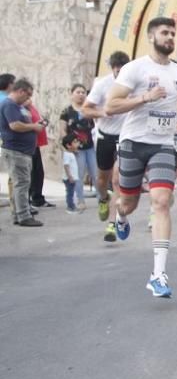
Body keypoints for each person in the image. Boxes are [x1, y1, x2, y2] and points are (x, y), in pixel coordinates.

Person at [104, 17, 177, 297]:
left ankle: (158, 274)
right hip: (134, 142)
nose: (169, 37)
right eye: (164, 32)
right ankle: (120, 217)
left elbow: (167, 103)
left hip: (163, 145)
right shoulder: (135, 69)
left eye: (172, 33)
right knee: (128, 204)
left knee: (161, 201)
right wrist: (143, 98)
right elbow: (111, 105)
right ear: (151, 36)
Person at [83, 51, 130, 242]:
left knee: (118, 180)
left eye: (122, 69)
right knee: (102, 180)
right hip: (104, 137)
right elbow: (85, 110)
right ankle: (103, 198)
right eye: (116, 69)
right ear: (112, 68)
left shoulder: (134, 83)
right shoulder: (102, 84)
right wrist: (104, 112)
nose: (119, 72)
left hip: (126, 138)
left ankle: (112, 223)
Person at [1, 79, 44, 227]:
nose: (29, 98)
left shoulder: (17, 106)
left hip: (22, 151)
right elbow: (15, 125)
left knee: (21, 183)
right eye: (28, 95)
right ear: (20, 91)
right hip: (16, 151)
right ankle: (24, 216)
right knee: (22, 184)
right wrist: (34, 127)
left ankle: (18, 215)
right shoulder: (9, 105)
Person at [60, 83, 98, 211]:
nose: (81, 95)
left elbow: (96, 126)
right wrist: (69, 147)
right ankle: (80, 200)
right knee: (79, 174)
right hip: (76, 149)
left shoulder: (89, 110)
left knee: (96, 173)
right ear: (71, 94)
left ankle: (101, 199)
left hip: (90, 147)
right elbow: (63, 131)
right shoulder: (66, 112)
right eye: (78, 92)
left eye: (83, 92)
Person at [61, 134, 83, 213]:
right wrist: (69, 176)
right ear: (68, 145)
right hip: (69, 178)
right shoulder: (67, 155)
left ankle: (72, 206)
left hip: (72, 177)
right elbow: (66, 166)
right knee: (70, 193)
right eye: (75, 142)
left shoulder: (70, 154)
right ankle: (70, 207)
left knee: (71, 192)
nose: (77, 144)